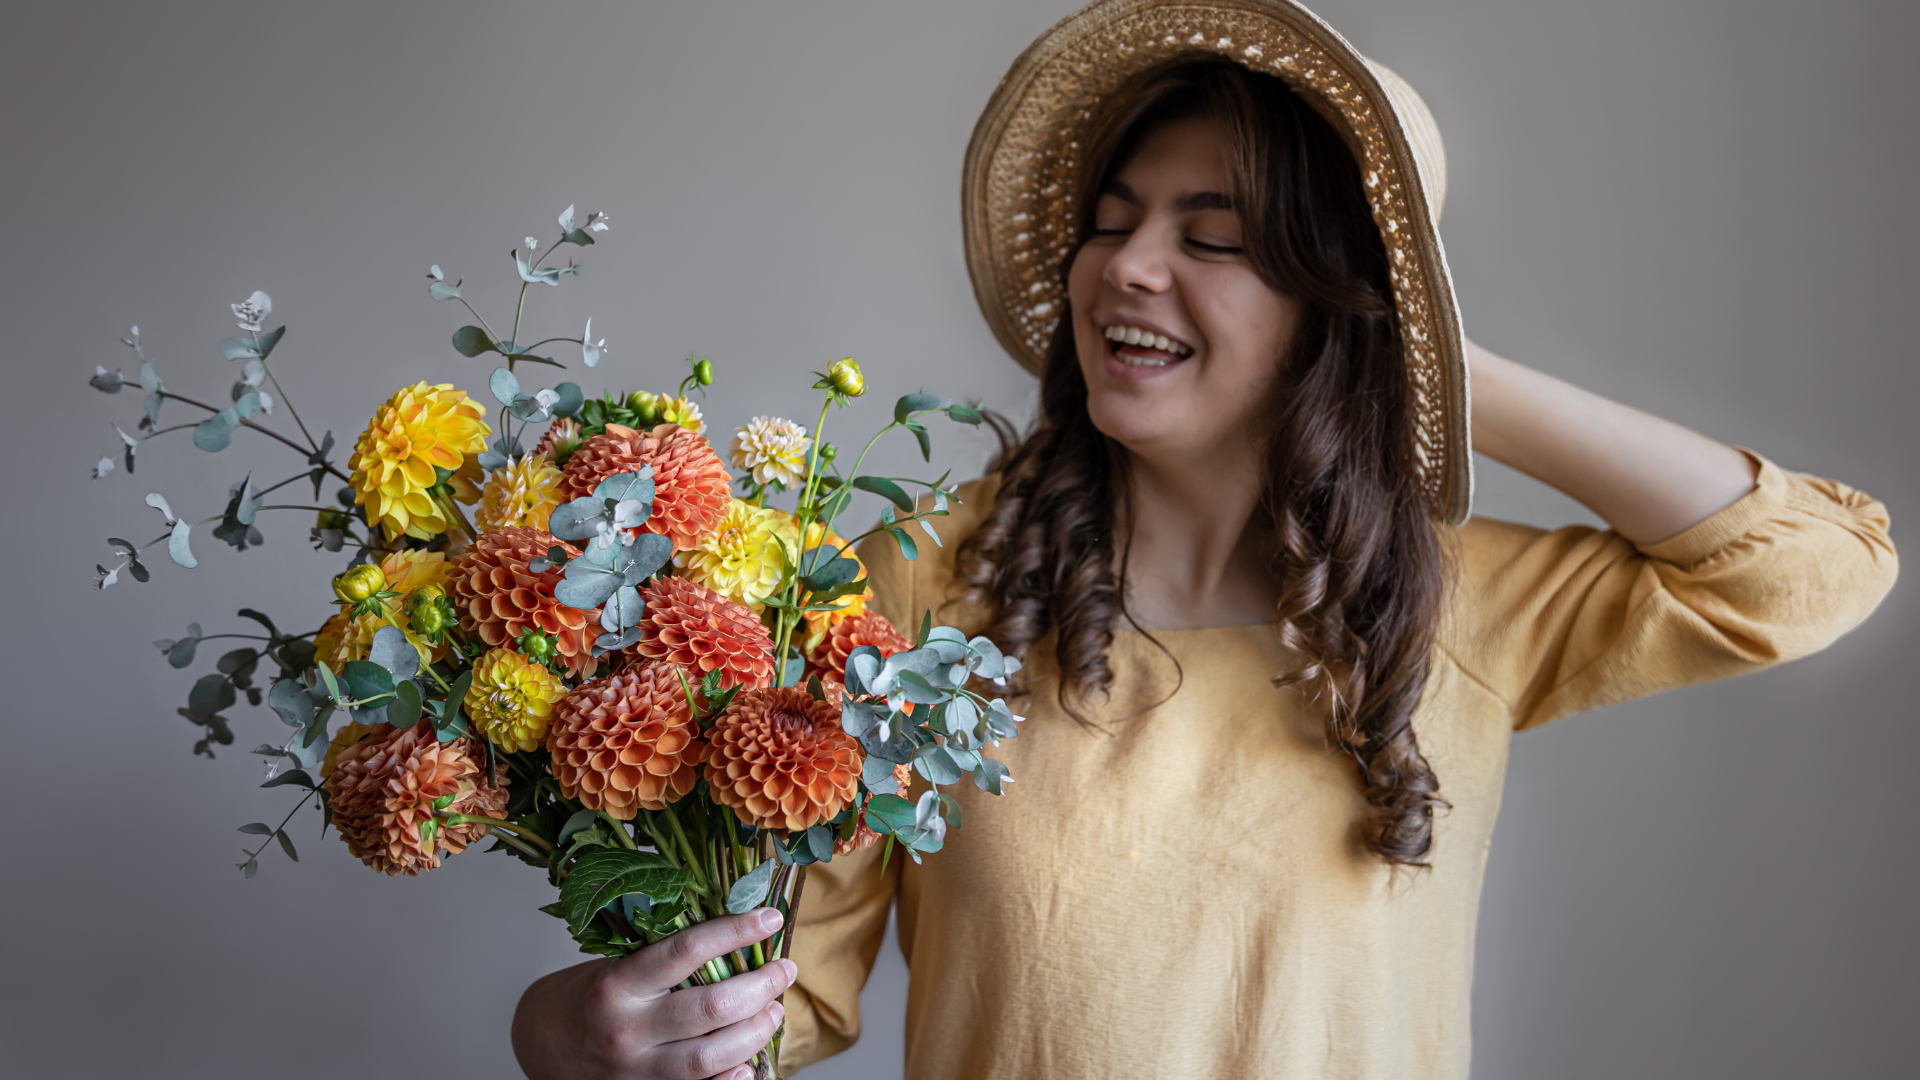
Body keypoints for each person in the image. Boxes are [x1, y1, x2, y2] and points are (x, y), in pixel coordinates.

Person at [510, 2, 1898, 1077]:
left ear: (1330, 300)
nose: (1127, 265)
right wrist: (575, 1034)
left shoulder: (1447, 599)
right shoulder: (925, 588)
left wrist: (1429, 347)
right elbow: (785, 1000)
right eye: (1113, 226)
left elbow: (1811, 568)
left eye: (1214, 238)